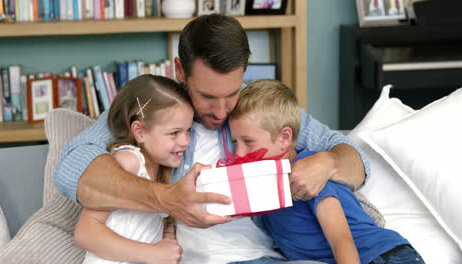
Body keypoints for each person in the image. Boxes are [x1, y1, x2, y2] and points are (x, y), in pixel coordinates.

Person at [54, 14, 370, 263]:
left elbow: (357, 161)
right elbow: (71, 166)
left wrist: (327, 162)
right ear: (180, 70)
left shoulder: (259, 108)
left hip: (263, 254)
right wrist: (166, 199)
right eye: (206, 97)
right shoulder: (156, 106)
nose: (221, 111)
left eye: (231, 94)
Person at [227, 79, 424, 264]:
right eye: (234, 142)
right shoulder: (263, 190)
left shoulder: (311, 174)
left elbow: (342, 240)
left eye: (248, 142)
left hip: (383, 256)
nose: (239, 152)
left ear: (284, 138)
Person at [75, 74, 190, 264]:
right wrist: (153, 254)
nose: (185, 141)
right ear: (140, 132)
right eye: (174, 133)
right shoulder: (128, 161)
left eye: (188, 131)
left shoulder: (162, 168)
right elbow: (85, 232)